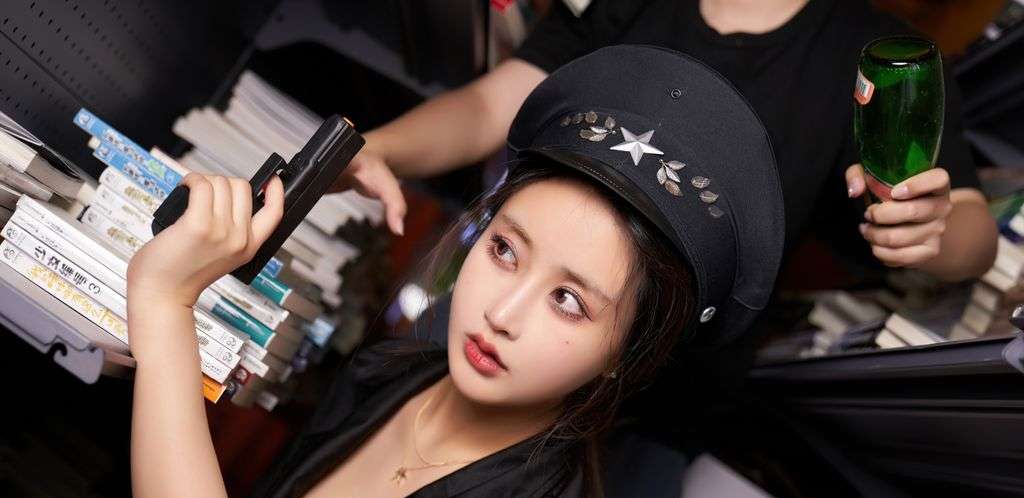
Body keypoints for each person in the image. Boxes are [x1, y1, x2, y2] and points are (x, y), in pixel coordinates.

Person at [0, 46, 785, 498]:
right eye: (505, 251)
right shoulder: (394, 374)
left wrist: (166, 301)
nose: (502, 313)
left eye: (569, 301)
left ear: (625, 355)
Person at [336, 0, 997, 283]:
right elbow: (496, 102)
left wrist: (930, 227)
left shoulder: (879, 56)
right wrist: (375, 149)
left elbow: (972, 232)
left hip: (662, 400)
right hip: (513, 297)